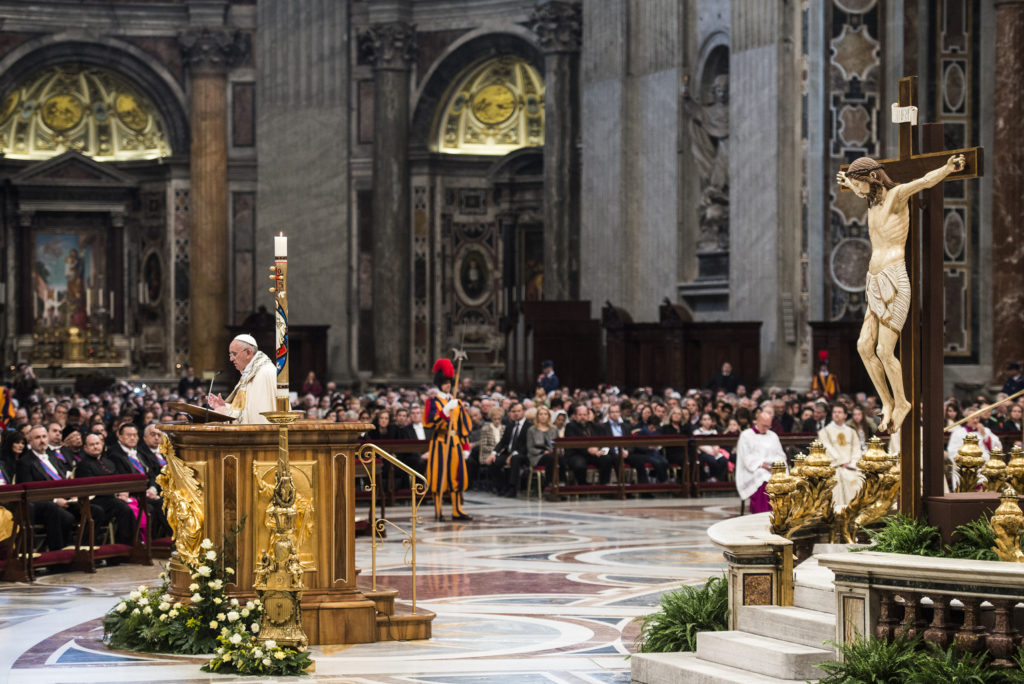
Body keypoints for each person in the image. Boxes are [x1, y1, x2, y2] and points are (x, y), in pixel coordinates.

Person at [837, 153, 966, 433]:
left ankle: (903, 402)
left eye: (860, 186)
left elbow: (924, 181)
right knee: (863, 347)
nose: (857, 192)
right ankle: (887, 402)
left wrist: (946, 168)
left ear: (873, 177)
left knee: (884, 349)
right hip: (873, 280)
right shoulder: (871, 203)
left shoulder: (896, 196)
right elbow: (859, 190)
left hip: (895, 279)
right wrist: (848, 181)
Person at [422, 359, 472, 521]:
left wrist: (465, 445)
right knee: (438, 475)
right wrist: (444, 411)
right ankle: (438, 510)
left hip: (455, 443)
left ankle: (457, 510)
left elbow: (463, 425)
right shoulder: (433, 402)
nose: (448, 385)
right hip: (440, 443)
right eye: (444, 383)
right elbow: (430, 422)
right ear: (439, 384)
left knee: (457, 476)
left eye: (449, 382)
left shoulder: (456, 402)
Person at [73, 433, 138, 545]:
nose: (95, 447)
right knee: (123, 509)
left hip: (110, 498)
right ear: (85, 448)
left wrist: (123, 491)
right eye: (92, 444)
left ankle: (129, 545)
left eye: (97, 443)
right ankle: (126, 545)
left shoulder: (109, 462)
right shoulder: (83, 465)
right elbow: (89, 488)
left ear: (102, 444)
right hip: (95, 499)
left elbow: (118, 480)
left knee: (127, 508)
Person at [208, 334, 277, 424]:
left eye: (234, 354)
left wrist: (226, 412)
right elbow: (245, 408)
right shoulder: (250, 373)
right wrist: (225, 407)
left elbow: (257, 417)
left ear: (248, 352)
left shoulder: (263, 373)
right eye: (230, 354)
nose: (231, 359)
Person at [735, 404, 787, 514]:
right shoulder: (746, 435)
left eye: (768, 426)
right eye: (764, 426)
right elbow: (746, 457)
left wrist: (776, 465)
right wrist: (761, 464)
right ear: (757, 421)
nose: (766, 429)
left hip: (772, 467)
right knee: (762, 477)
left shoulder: (773, 435)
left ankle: (781, 512)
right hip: (753, 469)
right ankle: (762, 513)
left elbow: (781, 454)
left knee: (785, 477)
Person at [817, 403, 862, 510]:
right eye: (834, 412)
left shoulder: (851, 432)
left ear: (845, 415)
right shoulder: (824, 432)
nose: (836, 414)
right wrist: (841, 462)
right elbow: (826, 449)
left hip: (851, 468)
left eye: (839, 412)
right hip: (834, 468)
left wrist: (852, 463)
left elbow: (857, 450)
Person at [946, 412, 1003, 490]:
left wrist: (984, 435)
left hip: (983, 466)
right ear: (966, 419)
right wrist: (967, 463)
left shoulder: (986, 430)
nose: (975, 421)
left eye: (977, 418)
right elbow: (952, 451)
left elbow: (997, 447)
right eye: (973, 418)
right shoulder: (958, 433)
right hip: (965, 469)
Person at [487, 402, 530, 497]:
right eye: (513, 411)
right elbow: (502, 442)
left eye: (518, 411)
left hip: (523, 454)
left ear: (523, 412)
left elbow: (526, 445)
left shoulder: (529, 426)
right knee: (493, 461)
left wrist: (513, 454)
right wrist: (494, 453)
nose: (516, 413)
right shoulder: (510, 425)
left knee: (515, 459)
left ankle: (512, 488)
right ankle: (502, 487)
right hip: (508, 453)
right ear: (510, 413)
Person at [526, 406, 558, 477]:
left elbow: (555, 443)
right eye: (541, 414)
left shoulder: (554, 429)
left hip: (552, 453)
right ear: (537, 416)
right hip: (537, 457)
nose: (543, 416)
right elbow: (530, 448)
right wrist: (542, 452)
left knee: (559, 458)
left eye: (545, 414)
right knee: (550, 458)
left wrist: (553, 450)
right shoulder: (532, 430)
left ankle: (562, 482)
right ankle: (550, 483)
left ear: (548, 416)